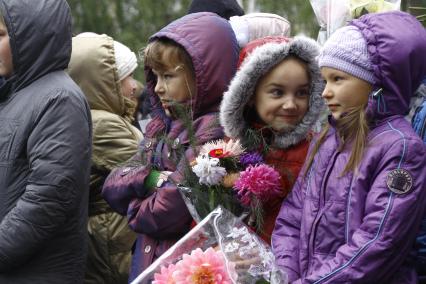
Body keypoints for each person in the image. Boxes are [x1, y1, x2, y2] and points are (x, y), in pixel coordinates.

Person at [272, 11, 426, 283]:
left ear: (377, 84)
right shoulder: (327, 139)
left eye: (338, 79)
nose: (325, 92)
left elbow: (378, 242)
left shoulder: (400, 148)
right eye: (325, 80)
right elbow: (293, 217)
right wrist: (285, 275)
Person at [102, 12, 239, 281]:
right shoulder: (161, 125)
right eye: (155, 77)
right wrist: (154, 177)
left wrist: (138, 194)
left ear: (204, 75)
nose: (158, 88)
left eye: (168, 77)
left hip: (184, 267)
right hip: (148, 260)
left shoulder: (213, 130)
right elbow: (112, 184)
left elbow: (161, 214)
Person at [0, 1, 92, 283]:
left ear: (30, 36)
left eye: (0, 35)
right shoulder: (14, 95)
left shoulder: (59, 99)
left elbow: (48, 197)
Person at [220, 36, 324, 244]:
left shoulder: (316, 153)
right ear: (249, 94)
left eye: (302, 93)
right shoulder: (230, 151)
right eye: (277, 92)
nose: (291, 104)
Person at [68, 33, 142, 284]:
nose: (135, 85)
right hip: (112, 241)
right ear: (103, 83)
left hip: (103, 235)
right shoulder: (101, 124)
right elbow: (145, 172)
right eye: (125, 77)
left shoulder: (93, 116)